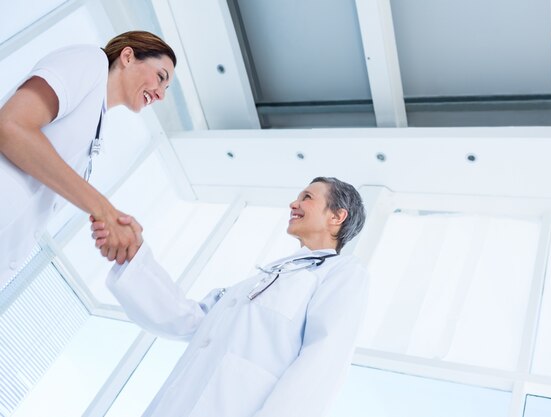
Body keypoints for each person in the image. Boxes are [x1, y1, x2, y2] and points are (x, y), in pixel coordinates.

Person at [91, 177, 369, 417]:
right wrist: (134, 255)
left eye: (306, 197)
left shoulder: (342, 272)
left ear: (337, 216)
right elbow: (188, 320)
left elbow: (322, 363)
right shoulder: (254, 282)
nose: (293, 204)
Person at [0, 30, 176, 288]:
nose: (161, 94)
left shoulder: (96, 126)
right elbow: (10, 125)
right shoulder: (91, 61)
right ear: (127, 56)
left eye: (166, 88)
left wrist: (109, 224)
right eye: (161, 77)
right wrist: (104, 209)